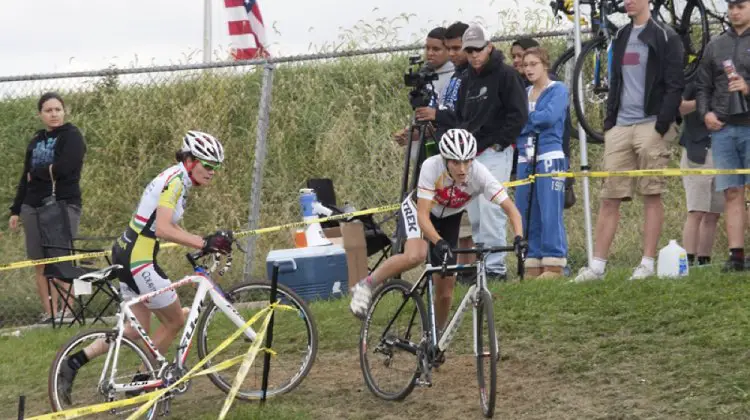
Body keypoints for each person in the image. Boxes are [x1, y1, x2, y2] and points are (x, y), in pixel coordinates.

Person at [55, 131, 234, 403]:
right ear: (189, 161)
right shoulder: (175, 183)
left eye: (216, 167)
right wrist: (204, 241)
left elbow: (166, 224)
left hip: (127, 251)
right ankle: (143, 384)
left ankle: (73, 363)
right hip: (139, 259)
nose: (212, 172)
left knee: (135, 329)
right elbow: (162, 228)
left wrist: (200, 244)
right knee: (175, 320)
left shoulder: (175, 178)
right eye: (208, 165)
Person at [349, 129, 525, 335]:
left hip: (450, 217)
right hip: (419, 210)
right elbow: (423, 216)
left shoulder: (480, 173)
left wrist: (519, 237)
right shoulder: (431, 167)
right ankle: (366, 285)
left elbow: (512, 210)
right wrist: (438, 242)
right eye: (455, 163)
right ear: (445, 160)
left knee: (445, 292)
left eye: (467, 161)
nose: (462, 169)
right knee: (416, 255)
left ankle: (435, 338)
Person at [573, 0, 684, 282]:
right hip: (620, 125)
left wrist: (662, 124)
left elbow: (675, 84)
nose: (628, 2)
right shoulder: (621, 36)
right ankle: (597, 266)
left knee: (651, 192)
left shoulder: (665, 35)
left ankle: (647, 263)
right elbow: (615, 79)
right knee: (609, 196)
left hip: (651, 122)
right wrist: (609, 123)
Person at [424, 23, 528, 281]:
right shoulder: (467, 78)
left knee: (491, 207)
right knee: (476, 213)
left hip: (494, 151)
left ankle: (495, 268)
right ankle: (484, 266)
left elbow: (519, 114)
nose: (473, 56)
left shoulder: (506, 75)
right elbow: (460, 115)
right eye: (469, 51)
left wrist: (501, 142)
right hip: (469, 155)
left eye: (477, 50)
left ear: (489, 47)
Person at [8, 92, 86, 324]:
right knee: (40, 261)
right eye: (48, 110)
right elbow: (25, 176)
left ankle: (67, 311)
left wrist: (39, 174)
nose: (53, 114)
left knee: (62, 257)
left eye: (57, 109)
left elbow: (67, 167)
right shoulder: (36, 140)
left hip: (62, 202)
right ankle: (50, 312)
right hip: (32, 206)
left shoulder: (72, 136)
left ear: (64, 111)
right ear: (40, 114)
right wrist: (16, 209)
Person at [695, 0, 750, 271]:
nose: (735, 11)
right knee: (732, 191)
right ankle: (736, 255)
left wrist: (747, 87)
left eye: (740, 6)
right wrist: (706, 113)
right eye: (731, 7)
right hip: (724, 129)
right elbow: (702, 85)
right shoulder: (715, 45)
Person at [514, 47, 569, 279]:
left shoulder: (558, 90)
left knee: (549, 211)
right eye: (525, 65)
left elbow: (549, 117)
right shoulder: (523, 93)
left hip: (549, 157)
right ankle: (533, 262)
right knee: (526, 210)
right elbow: (513, 122)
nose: (528, 69)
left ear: (545, 64)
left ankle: (555, 263)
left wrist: (525, 121)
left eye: (533, 64)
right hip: (525, 158)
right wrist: (526, 123)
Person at [440, 21, 476, 279]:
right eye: (448, 48)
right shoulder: (454, 75)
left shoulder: (470, 76)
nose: (452, 54)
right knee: (456, 215)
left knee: (470, 213)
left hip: (464, 151)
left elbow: (462, 116)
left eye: (457, 48)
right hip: (446, 151)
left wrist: (438, 115)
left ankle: (473, 267)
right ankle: (461, 267)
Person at [394, 26, 455, 164]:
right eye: (427, 48)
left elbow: (457, 114)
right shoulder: (424, 75)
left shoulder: (457, 76)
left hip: (449, 148)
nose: (430, 53)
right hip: (426, 150)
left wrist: (434, 125)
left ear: (448, 50)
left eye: (436, 49)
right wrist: (411, 134)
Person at [679, 81, 723, 267]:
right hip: (697, 151)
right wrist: (703, 101)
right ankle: (688, 259)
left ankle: (704, 260)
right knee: (696, 210)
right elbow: (679, 108)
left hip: (723, 151)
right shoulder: (692, 78)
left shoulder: (728, 79)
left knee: (714, 212)